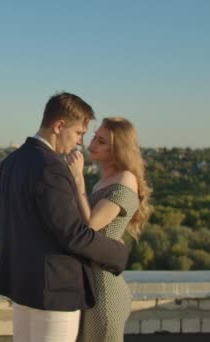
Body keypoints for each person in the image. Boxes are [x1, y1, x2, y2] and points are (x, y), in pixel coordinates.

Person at [0, 92, 130, 342]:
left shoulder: (11, 162)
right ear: (59, 126)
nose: (79, 143)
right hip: (55, 290)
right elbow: (73, 234)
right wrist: (118, 253)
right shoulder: (52, 167)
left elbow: (4, 221)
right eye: (78, 133)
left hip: (21, 284)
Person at [66, 117, 152, 342]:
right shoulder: (104, 181)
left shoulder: (125, 179)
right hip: (92, 286)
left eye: (101, 141)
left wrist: (78, 179)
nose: (92, 143)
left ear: (118, 149)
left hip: (105, 292)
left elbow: (91, 225)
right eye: (94, 137)